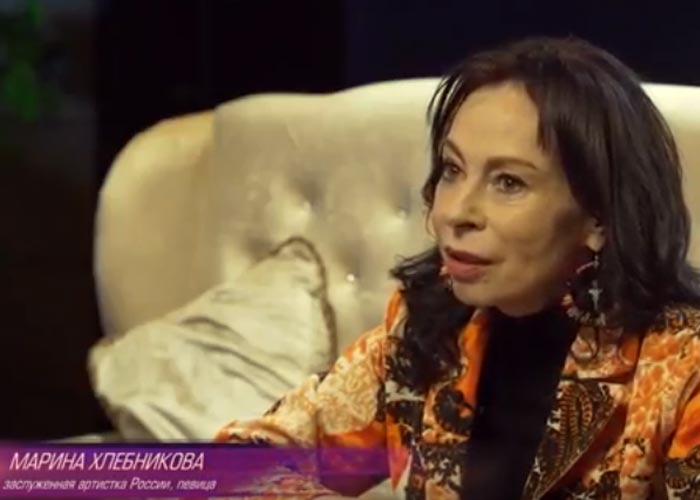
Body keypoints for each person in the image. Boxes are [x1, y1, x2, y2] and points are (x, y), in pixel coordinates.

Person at [215, 36, 700, 499]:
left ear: (599, 217)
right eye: (452, 170)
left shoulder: (681, 370)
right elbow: (219, 471)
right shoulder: (427, 329)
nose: (454, 212)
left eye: (508, 182)